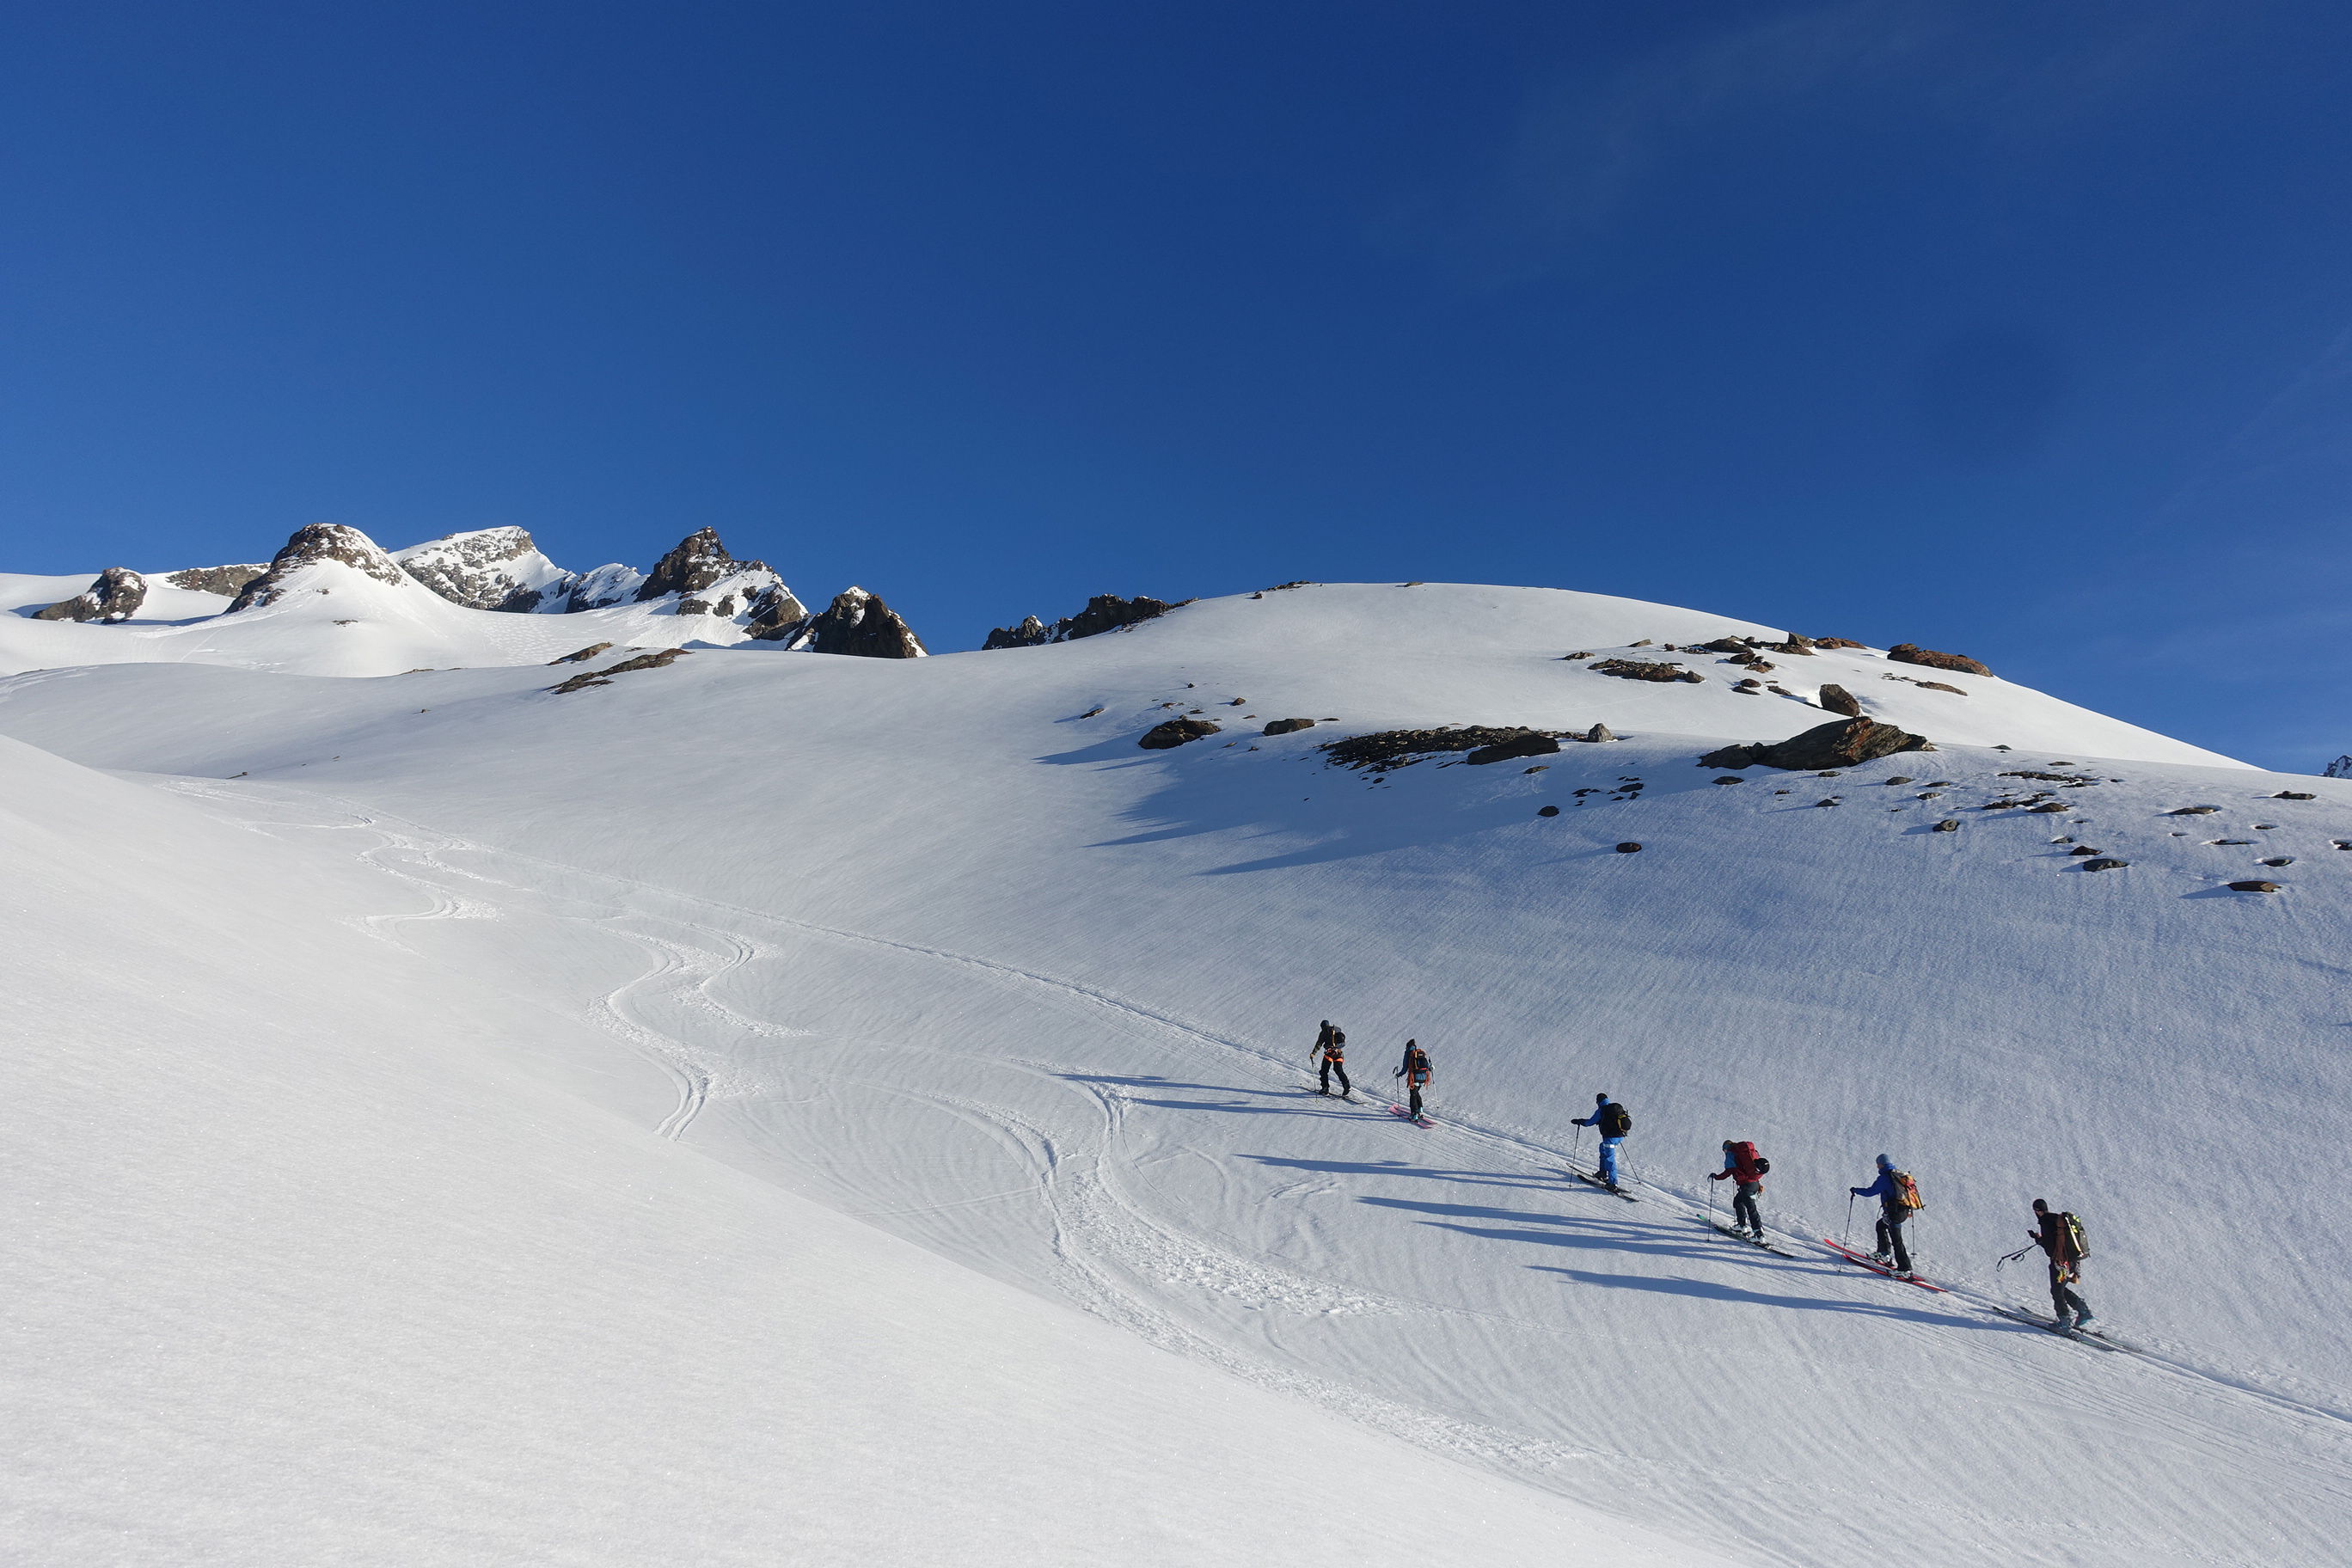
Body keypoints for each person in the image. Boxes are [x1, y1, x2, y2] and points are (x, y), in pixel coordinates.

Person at [1849, 1155, 1920, 1275]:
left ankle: (1904, 1269)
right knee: (1880, 1225)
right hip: (1902, 1211)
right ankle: (1883, 1253)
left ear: (1881, 1164)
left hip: (1894, 1213)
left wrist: (1855, 1190)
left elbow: (1870, 1192)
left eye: (1878, 1164)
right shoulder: (1898, 1175)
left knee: (1897, 1240)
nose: (1877, 1166)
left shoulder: (1886, 1178)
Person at [2029, 1198, 2093, 1330]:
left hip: (2060, 1263)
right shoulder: (2058, 1220)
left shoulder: (2046, 1222)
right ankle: (2083, 1311)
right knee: (2061, 1289)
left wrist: (2038, 1239)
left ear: (2037, 1211)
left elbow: (2050, 1248)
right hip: (2072, 1261)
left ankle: (2064, 1321)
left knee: (2056, 1291)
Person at [1572, 1093, 1632, 1190]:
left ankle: (1612, 1184)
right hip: (1620, 1137)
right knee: (1602, 1147)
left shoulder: (1602, 1110)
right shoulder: (1615, 1109)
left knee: (1610, 1158)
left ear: (1598, 1101)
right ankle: (1602, 1173)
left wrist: (1580, 1121)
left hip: (1610, 1138)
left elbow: (1589, 1123)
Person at [1710, 1140, 1767, 1237]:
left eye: (1724, 1150)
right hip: (1755, 1184)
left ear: (1726, 1148)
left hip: (1746, 1186)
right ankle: (1742, 1226)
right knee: (1738, 1202)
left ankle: (1759, 1234)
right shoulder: (1745, 1154)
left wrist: (1715, 1177)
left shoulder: (1732, 1154)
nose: (1724, 1152)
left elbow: (1728, 1172)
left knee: (1751, 1209)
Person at [1393, 1039, 1431, 1119]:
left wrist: (1398, 1075)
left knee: (1413, 1096)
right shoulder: (1420, 1052)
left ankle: (1414, 1114)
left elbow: (1405, 1068)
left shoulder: (1408, 1054)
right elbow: (1428, 1066)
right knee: (1416, 1093)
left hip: (1413, 1078)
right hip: (1423, 1078)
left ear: (1407, 1047)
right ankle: (1420, 1110)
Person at [1312, 1021, 1351, 1098]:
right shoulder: (1336, 1030)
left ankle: (1325, 1088)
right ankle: (1347, 1086)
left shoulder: (1324, 1032)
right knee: (1338, 1070)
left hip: (1330, 1053)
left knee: (1324, 1071)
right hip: (1339, 1053)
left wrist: (1313, 1053)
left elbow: (1319, 1043)